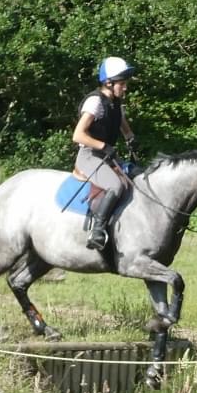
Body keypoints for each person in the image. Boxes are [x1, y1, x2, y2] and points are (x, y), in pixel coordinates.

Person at [72, 56, 140, 250]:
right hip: (89, 156)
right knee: (115, 186)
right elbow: (78, 135)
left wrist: (130, 137)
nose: (125, 87)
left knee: (139, 176)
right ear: (109, 83)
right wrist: (103, 146)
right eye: (122, 84)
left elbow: (120, 123)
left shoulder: (115, 103)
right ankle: (98, 230)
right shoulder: (95, 102)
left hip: (107, 156)